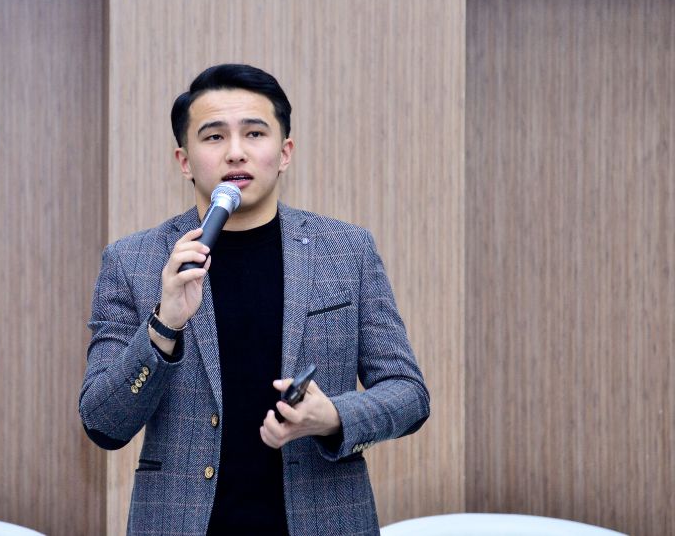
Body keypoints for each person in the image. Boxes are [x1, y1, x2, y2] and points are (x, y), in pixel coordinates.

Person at [79, 64, 430, 536]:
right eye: (214, 137)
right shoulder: (133, 261)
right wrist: (164, 326)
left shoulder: (346, 251)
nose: (235, 152)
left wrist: (333, 417)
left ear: (284, 152)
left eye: (254, 133)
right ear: (184, 161)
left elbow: (408, 393)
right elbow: (103, 423)